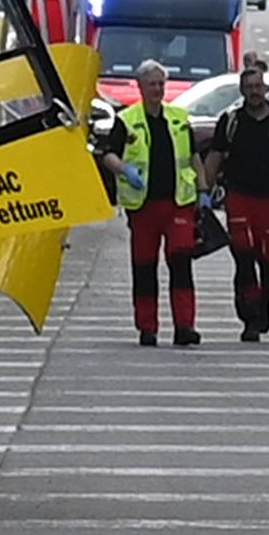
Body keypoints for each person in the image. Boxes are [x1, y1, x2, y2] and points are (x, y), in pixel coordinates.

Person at [97, 60, 205, 346]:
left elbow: (193, 156)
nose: (158, 89)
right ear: (141, 87)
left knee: (181, 262)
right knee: (144, 266)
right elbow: (108, 155)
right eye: (152, 84)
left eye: (161, 84)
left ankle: (185, 326)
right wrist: (124, 170)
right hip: (143, 206)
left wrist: (203, 188)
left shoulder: (179, 118)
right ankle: (148, 327)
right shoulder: (127, 120)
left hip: (178, 203)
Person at [200, 66, 269, 341]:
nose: (255, 92)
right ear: (242, 91)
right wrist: (204, 191)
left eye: (258, 87)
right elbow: (215, 157)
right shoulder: (231, 121)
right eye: (249, 88)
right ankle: (250, 316)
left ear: (265, 88)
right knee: (244, 256)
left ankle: (268, 299)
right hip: (240, 197)